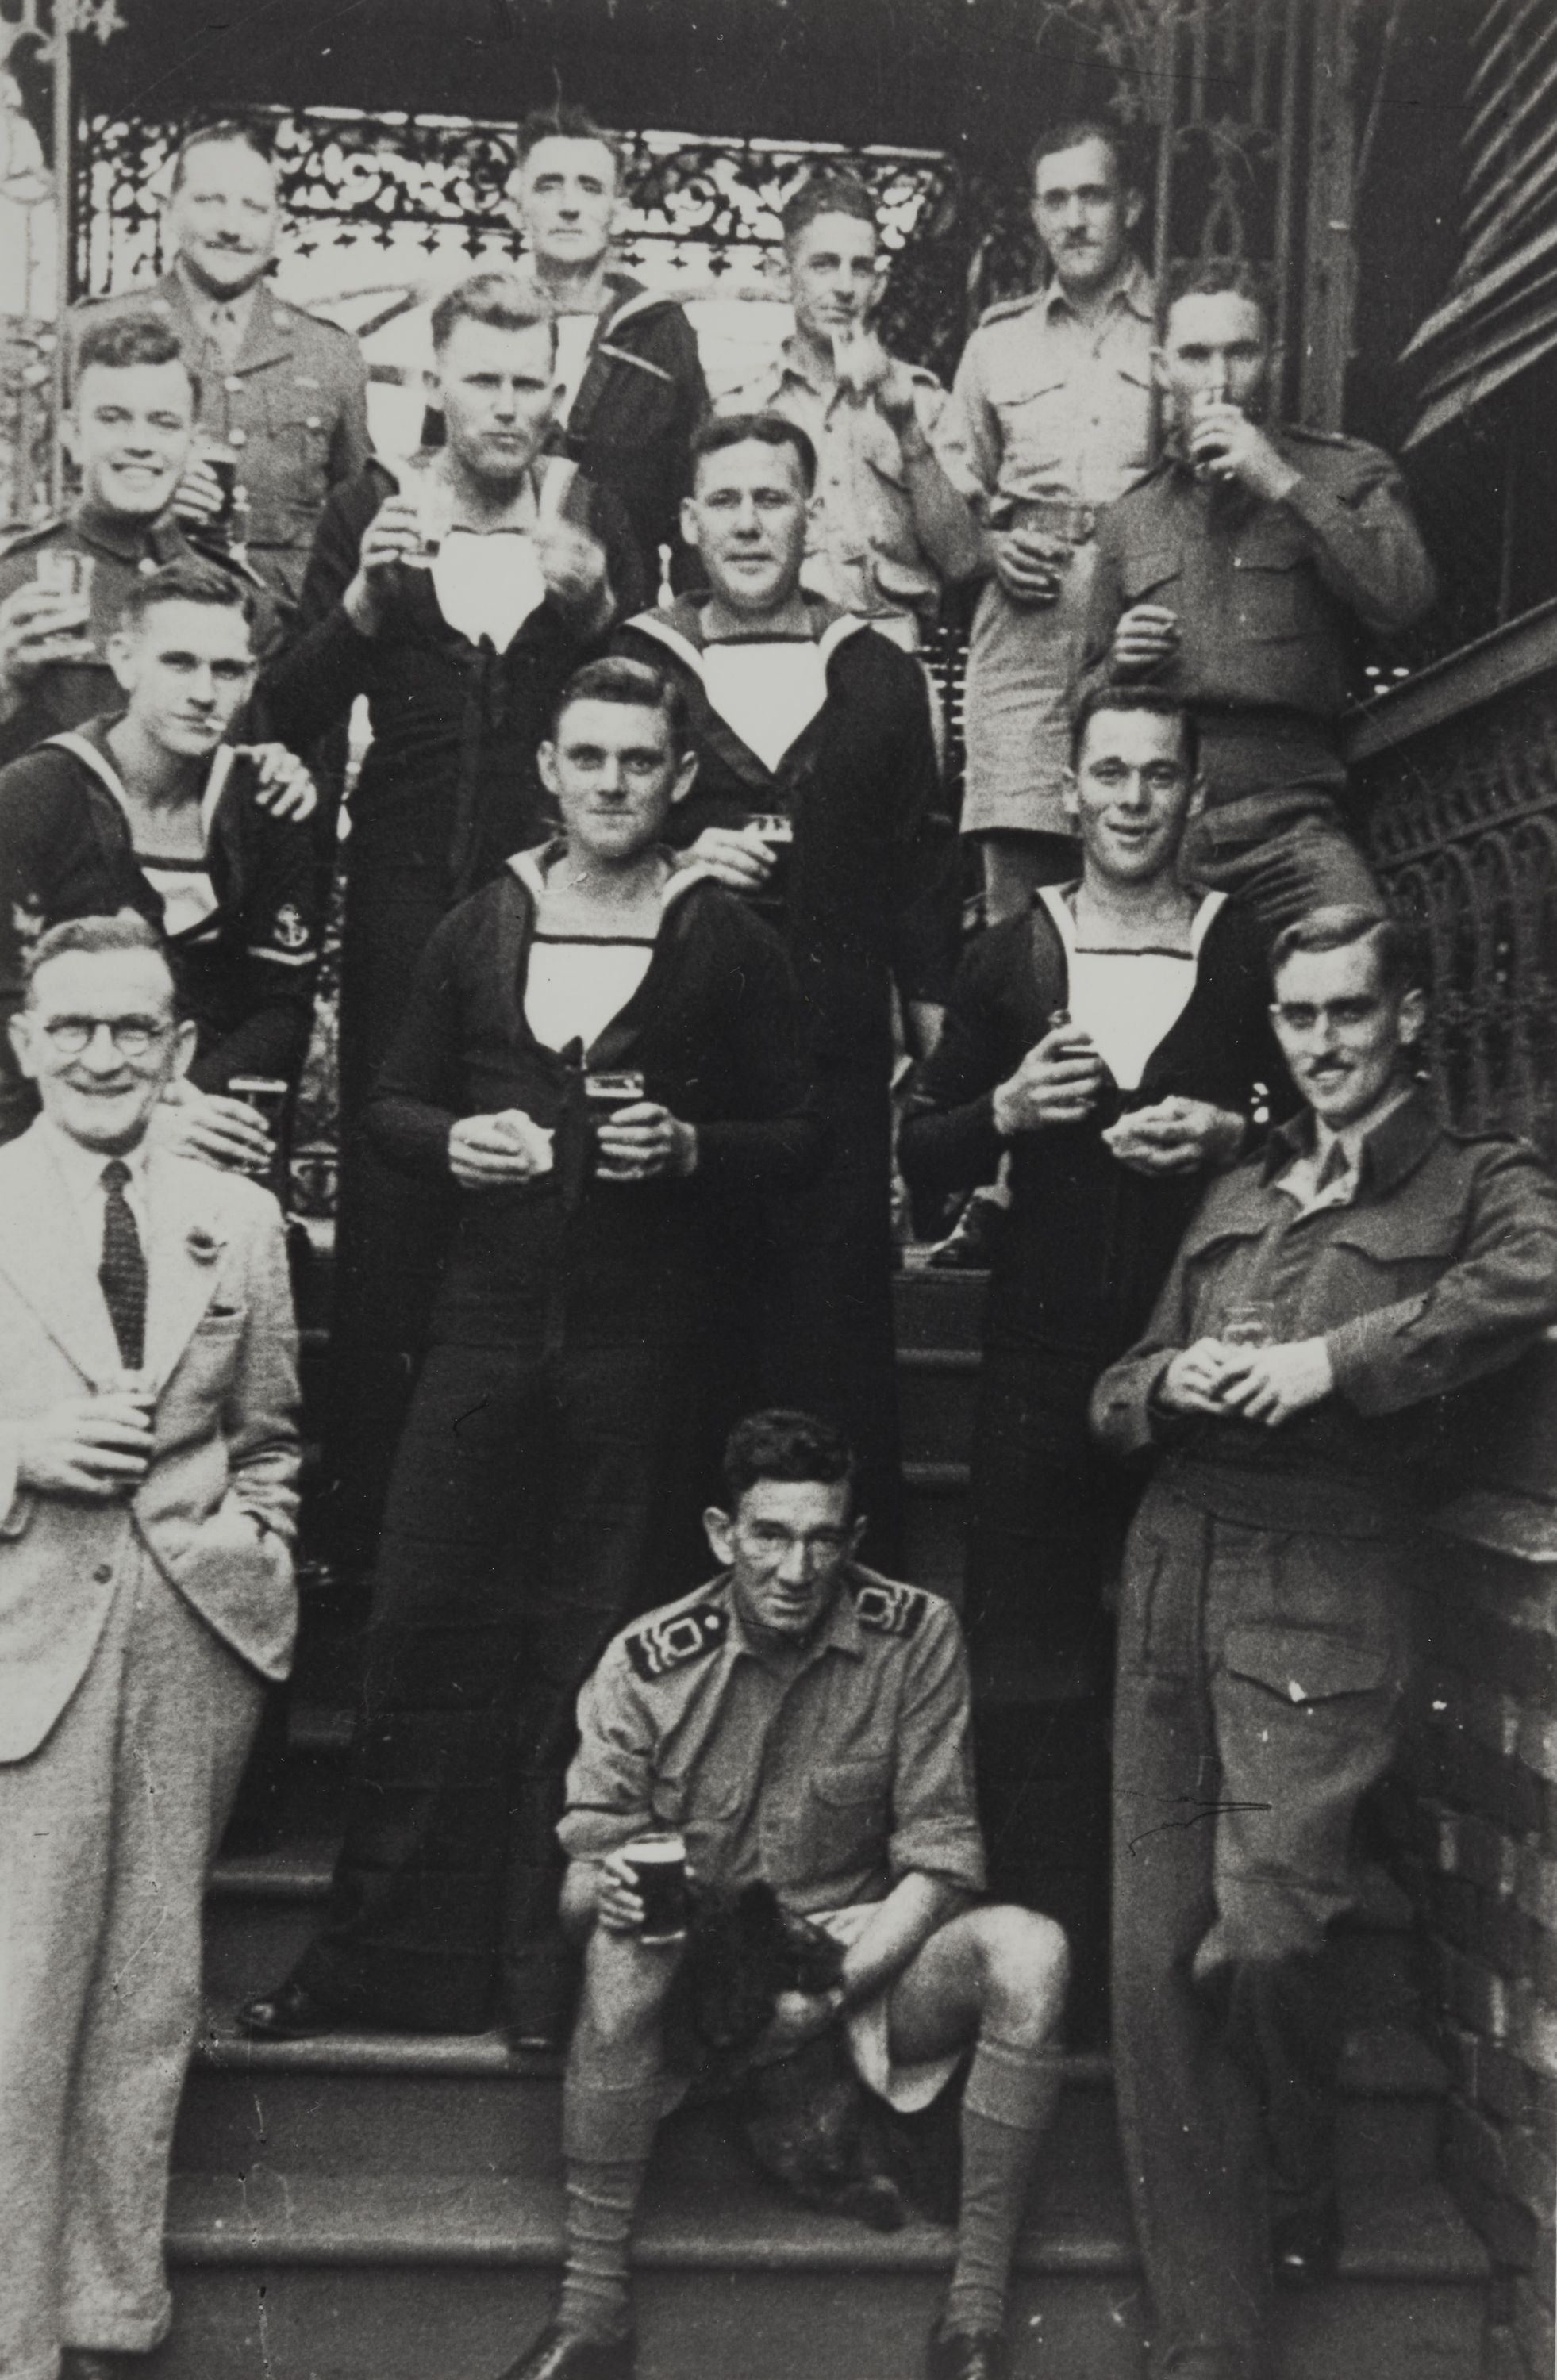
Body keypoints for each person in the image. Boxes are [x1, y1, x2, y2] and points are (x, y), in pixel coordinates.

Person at [239, 658, 823, 2048]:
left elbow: (806, 1137)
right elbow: (388, 1105)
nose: (613, 783)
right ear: (548, 771)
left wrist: (692, 1147)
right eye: (589, 758)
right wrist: (454, 1142)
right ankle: (381, 1962)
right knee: (423, 1630)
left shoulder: (725, 938)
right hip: (485, 1333)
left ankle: (541, 1978)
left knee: (593, 1653)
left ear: (680, 779)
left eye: (640, 761)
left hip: (642, 1349)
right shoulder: (479, 922)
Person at [1090, 904, 1557, 2380]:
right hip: (1173, 1559)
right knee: (1151, 1971)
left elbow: (1536, 1275)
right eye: (1296, 1018)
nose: (1320, 1044)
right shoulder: (1241, 1183)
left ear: (1408, 1015)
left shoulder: (1478, 1181)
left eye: (1347, 1012)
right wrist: (1171, 1386)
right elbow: (1115, 1383)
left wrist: (1331, 1363)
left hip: (1329, 1577)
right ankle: (1207, 2342)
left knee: (1270, 1936)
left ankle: (1295, 2171)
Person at [495, 1407, 1069, 2380]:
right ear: (723, 1534)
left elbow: (940, 1860)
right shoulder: (646, 1662)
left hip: (857, 1950)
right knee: (626, 1941)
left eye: (821, 1540)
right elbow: (580, 1885)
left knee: (1033, 1952)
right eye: (769, 1536)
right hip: (707, 1961)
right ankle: (591, 2314)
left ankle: (975, 2319)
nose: (797, 1569)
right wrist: (613, 1898)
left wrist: (832, 1994)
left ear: (853, 1538)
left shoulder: (915, 1634)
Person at [899, 687, 1287, 2006]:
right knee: (1026, 1653)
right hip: (1036, 1358)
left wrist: (1234, 1136)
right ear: (1066, 791)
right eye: (1108, 773)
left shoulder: (1242, 949)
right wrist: (1004, 1111)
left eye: (1157, 775)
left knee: (1188, 1657)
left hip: (1199, 1358)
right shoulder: (1011, 954)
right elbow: (922, 1148)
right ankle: (1038, 1953)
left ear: (1194, 795)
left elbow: (1318, 1132)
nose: (1130, 799)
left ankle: (1165, 1974)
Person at [262, 271, 649, 1571]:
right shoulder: (374, 506)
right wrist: (363, 609)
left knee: (538, 1181)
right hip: (400, 893)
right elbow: (285, 707)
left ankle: (520, 1521)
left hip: (546, 902)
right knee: (397, 1186)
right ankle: (371, 1517)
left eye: (529, 382)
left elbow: (652, 715)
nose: (506, 405)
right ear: (432, 385)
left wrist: (597, 613)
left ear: (556, 391)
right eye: (481, 378)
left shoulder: (590, 512)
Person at [0, 911, 299, 2380]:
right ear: (23, 1043)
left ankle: (110, 2318)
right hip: (24, 1636)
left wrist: (258, 1552)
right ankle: (12, 2340)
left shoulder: (235, 1218)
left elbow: (272, 1432)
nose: (102, 1055)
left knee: (147, 1998)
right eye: (72, 1026)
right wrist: (20, 1453)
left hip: (190, 1638)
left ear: (178, 1046)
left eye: (133, 1028)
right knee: (16, 2008)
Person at [617, 412, 958, 1560]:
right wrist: (673, 859)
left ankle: (843, 1600)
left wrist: (933, 1060)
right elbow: (583, 841)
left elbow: (920, 874)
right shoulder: (640, 666)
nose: (750, 523)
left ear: (812, 515)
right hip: (687, 1067)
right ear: (687, 521)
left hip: (833, 1065)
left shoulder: (876, 670)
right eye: (725, 500)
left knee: (830, 1338)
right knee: (686, 1335)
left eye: (772, 498)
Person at [1076, 259, 1438, 933]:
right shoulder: (1132, 517)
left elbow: (1403, 599)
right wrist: (1117, 669)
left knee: (1355, 949)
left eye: (1240, 352)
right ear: (1161, 369)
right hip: (1163, 832)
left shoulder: (1346, 473)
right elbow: (1079, 702)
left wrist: (1280, 480)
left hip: (1293, 823)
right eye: (1195, 355)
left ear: (1274, 359)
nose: (1218, 379)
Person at [0, 559, 321, 1155]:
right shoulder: (35, 793)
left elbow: (282, 1006)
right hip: (56, 1111)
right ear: (124, 661)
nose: (204, 693)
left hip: (208, 1114)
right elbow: (9, 999)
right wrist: (135, 1113)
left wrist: (186, 1106)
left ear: (251, 679)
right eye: (178, 662)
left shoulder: (266, 799)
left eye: (227, 670)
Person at [935, 120, 1155, 924]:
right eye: (1055, 200)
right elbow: (948, 501)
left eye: (1093, 196)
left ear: (1131, 205)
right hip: (1026, 634)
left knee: (1141, 871)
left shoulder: (1178, 331)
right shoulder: (999, 342)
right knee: (1018, 902)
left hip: (1141, 628)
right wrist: (992, 546)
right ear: (1034, 214)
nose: (1074, 219)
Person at [72, 119, 372, 613]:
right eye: (210, 201)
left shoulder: (329, 353)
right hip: (138, 612)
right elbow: (40, 501)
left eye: (254, 208)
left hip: (286, 628)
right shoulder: (93, 331)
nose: (231, 227)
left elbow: (357, 515)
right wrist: (144, 494)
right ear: (168, 211)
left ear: (279, 224)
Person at [0, 313, 301, 772]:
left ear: (192, 444)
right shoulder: (12, 581)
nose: (139, 443)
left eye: (164, 423)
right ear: (73, 435)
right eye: (113, 419)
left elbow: (271, 753)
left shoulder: (241, 599)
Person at [720, 171, 979, 649]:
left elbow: (962, 559)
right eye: (823, 265)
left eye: (860, 269)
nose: (844, 287)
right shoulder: (742, 410)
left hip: (892, 649)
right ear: (781, 275)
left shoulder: (922, 400)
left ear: (879, 285)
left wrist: (906, 426)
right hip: (776, 646)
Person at [502, 104, 708, 592]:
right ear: (516, 208)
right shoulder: (487, 326)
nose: (569, 207)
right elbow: (438, 468)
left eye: (590, 187)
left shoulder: (660, 334)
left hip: (621, 605)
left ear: (619, 212)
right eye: (548, 186)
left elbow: (694, 499)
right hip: (495, 600)